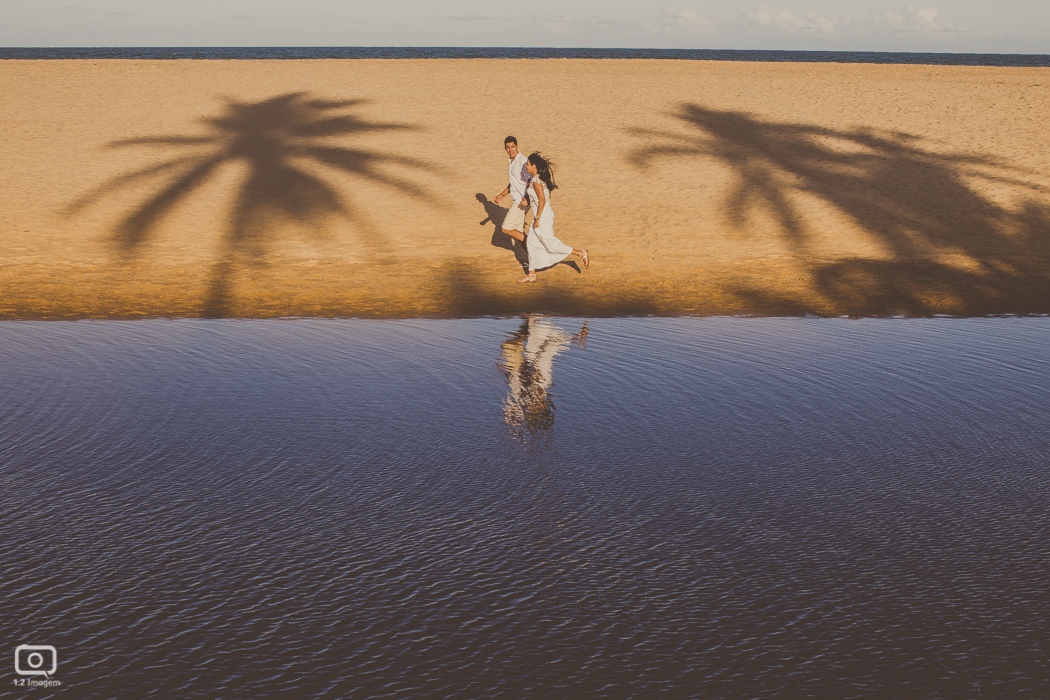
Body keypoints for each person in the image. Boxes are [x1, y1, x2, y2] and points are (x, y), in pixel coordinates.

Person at [518, 152, 589, 283]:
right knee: (531, 243)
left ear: (534, 166)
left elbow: (543, 200)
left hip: (542, 217)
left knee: (550, 244)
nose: (526, 166)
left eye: (527, 164)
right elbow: (544, 197)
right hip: (541, 215)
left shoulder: (535, 180)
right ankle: (532, 274)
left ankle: (580, 253)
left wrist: (538, 218)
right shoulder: (539, 179)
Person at [493, 136, 531, 248]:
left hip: (522, 201)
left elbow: (531, 180)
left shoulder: (523, 161)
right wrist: (501, 195)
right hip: (518, 199)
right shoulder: (511, 162)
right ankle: (530, 260)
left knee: (506, 229)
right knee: (517, 234)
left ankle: (535, 247)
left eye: (512, 147)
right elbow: (513, 183)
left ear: (517, 146)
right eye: (508, 147)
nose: (510, 150)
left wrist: (527, 198)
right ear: (505, 148)